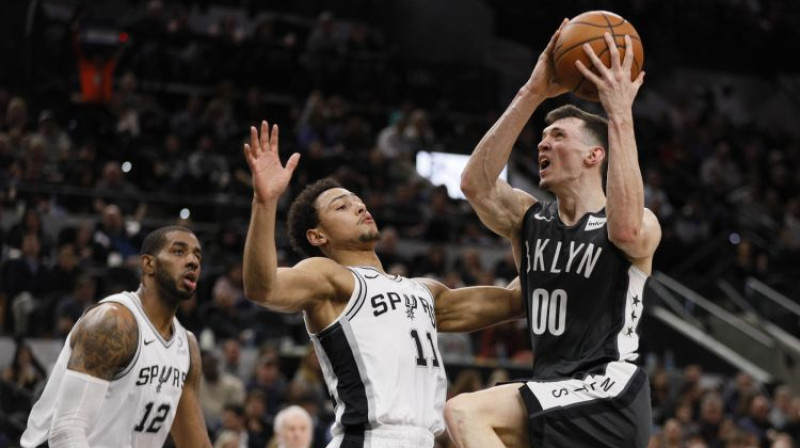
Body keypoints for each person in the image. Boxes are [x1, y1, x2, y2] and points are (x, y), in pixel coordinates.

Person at [446, 20, 661, 448]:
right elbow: (475, 185)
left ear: (594, 155)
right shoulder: (531, 219)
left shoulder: (641, 221)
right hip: (557, 391)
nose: (542, 144)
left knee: (463, 411)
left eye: (558, 136)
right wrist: (532, 92)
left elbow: (627, 228)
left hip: (609, 390)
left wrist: (619, 112)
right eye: (541, 138)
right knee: (442, 436)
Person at [242, 121, 523, 448]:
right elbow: (263, 288)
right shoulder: (330, 278)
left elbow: (516, 300)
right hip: (370, 438)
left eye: (357, 200)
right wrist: (265, 203)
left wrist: (529, 227)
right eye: (341, 206)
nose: (359, 206)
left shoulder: (426, 292)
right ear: (318, 236)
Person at [21, 226, 212, 448]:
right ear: (148, 264)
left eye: (197, 255)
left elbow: (196, 445)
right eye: (179, 252)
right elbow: (65, 430)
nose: (193, 261)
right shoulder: (113, 322)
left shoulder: (186, 347)